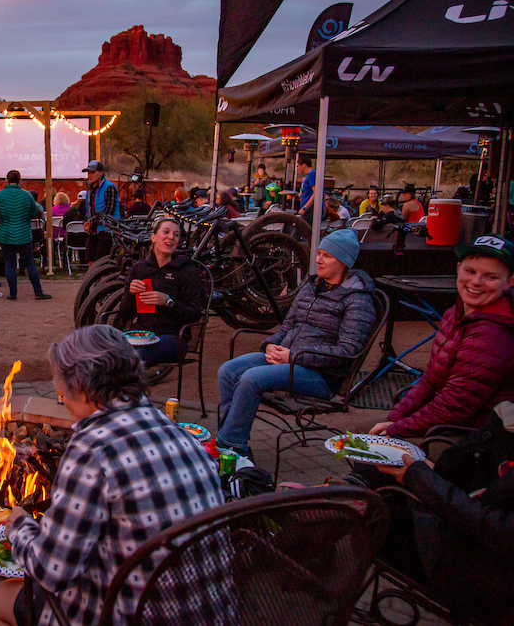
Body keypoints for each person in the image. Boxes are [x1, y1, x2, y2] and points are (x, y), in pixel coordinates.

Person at [0, 325, 233, 626]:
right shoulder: (178, 433)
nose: (62, 399)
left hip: (130, 614)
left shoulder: (92, 450)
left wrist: (19, 527)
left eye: (62, 390)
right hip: (210, 614)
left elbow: (53, 570)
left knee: (2, 599)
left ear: (81, 389)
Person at [216, 230, 376, 456]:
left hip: (321, 376)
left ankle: (230, 448)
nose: (318, 260)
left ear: (344, 262)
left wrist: (292, 356)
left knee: (250, 379)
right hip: (287, 359)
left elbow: (346, 351)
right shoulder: (311, 287)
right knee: (227, 370)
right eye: (319, 253)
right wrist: (270, 345)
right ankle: (233, 440)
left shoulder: (357, 299)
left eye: (327, 256)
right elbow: (287, 325)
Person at [369, 402, 514, 624]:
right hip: (463, 528)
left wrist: (423, 478)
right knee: (373, 483)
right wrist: (429, 473)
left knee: (369, 518)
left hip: (474, 570)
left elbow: (495, 528)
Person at [368, 234, 514, 439]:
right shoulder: (455, 313)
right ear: (457, 269)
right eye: (470, 271)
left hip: (475, 439)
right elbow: (430, 380)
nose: (476, 281)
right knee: (368, 435)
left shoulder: (494, 334)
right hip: (449, 424)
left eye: (491, 277)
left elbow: (455, 406)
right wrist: (395, 417)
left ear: (509, 283)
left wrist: (396, 428)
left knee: (369, 448)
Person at [119, 218, 206, 366]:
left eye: (176, 235)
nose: (171, 237)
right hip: (141, 334)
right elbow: (125, 314)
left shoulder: (187, 271)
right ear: (153, 237)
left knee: (135, 358)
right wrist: (130, 293)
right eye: (166, 232)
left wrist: (168, 301)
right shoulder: (139, 269)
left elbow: (195, 315)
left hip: (173, 338)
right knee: (104, 353)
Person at [0, 170, 51, 301]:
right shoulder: (27, 196)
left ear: (6, 180)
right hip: (24, 234)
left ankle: (13, 294)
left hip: (5, 234)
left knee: (10, 263)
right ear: (20, 180)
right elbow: (34, 212)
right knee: (30, 263)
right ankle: (38, 291)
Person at [83, 160, 120, 264]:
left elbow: (109, 212)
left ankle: (102, 279)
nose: (90, 175)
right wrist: (86, 222)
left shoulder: (109, 187)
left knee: (101, 260)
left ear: (101, 172)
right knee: (90, 258)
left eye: (93, 172)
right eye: (89, 172)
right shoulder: (90, 189)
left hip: (107, 230)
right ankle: (93, 280)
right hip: (93, 229)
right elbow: (89, 209)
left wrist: (91, 222)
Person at [296, 155, 319, 220]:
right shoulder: (308, 176)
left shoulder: (312, 174)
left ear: (304, 165)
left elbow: (316, 193)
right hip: (308, 210)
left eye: (298, 166)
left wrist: (305, 207)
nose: (297, 168)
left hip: (311, 210)